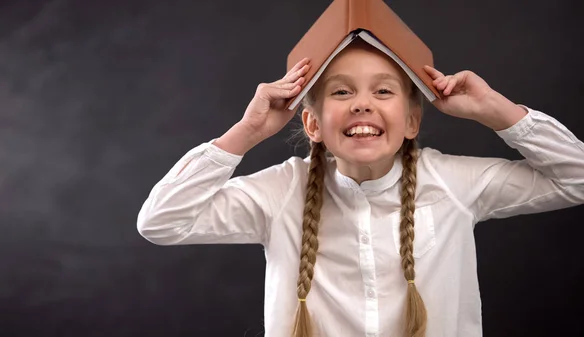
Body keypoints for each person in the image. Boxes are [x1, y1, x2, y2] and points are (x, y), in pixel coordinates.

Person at [136, 39, 584, 337]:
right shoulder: (280, 191)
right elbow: (161, 222)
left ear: (412, 121)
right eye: (341, 92)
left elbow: (576, 179)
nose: (363, 103)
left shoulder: (453, 183)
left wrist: (493, 108)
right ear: (311, 123)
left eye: (384, 92)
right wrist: (248, 132)